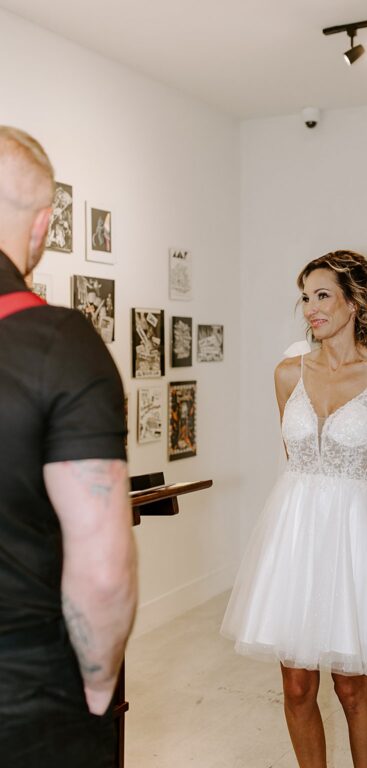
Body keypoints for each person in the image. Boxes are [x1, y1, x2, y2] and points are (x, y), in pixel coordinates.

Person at [221, 250, 367, 768]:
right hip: (292, 539)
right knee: (294, 686)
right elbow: (297, 458)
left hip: (354, 543)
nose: (310, 308)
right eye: (306, 296)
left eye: (322, 295)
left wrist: (364, 542)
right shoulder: (287, 374)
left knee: (353, 687)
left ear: (354, 301)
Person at [0, 126, 137, 766]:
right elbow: (103, 573)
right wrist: (99, 685)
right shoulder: (59, 343)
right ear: (44, 224)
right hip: (27, 691)